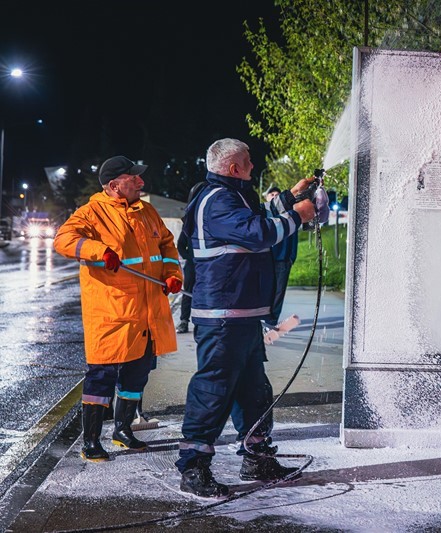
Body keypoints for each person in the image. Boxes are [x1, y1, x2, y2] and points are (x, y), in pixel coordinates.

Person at [175, 138, 316, 498]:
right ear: (234, 168)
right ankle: (193, 468)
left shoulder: (233, 196)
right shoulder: (217, 199)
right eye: (248, 161)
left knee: (253, 391)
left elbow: (258, 216)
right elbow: (258, 233)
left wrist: (290, 197)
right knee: (214, 390)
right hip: (223, 316)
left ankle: (256, 458)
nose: (254, 165)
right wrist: (298, 215)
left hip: (242, 315)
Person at [53, 155, 183, 462]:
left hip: (147, 313)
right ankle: (90, 441)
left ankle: (123, 430)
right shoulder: (91, 213)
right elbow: (63, 240)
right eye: (133, 178)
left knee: (137, 375)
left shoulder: (147, 212)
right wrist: (99, 251)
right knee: (101, 378)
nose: (141, 181)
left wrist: (172, 274)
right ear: (114, 185)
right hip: (112, 313)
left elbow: (167, 245)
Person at [264, 186, 298, 328]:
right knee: (264, 291)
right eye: (271, 194)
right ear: (266, 197)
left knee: (278, 292)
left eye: (277, 194)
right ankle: (261, 319)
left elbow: (294, 238)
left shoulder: (288, 216)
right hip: (265, 259)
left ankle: (271, 322)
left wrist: (291, 258)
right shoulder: (262, 213)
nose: (274, 196)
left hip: (282, 260)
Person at [176, 182, 206, 334]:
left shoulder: (213, 219)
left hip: (210, 265)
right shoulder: (189, 222)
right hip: (193, 265)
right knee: (188, 292)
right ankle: (184, 321)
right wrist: (191, 258)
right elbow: (181, 245)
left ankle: (205, 322)